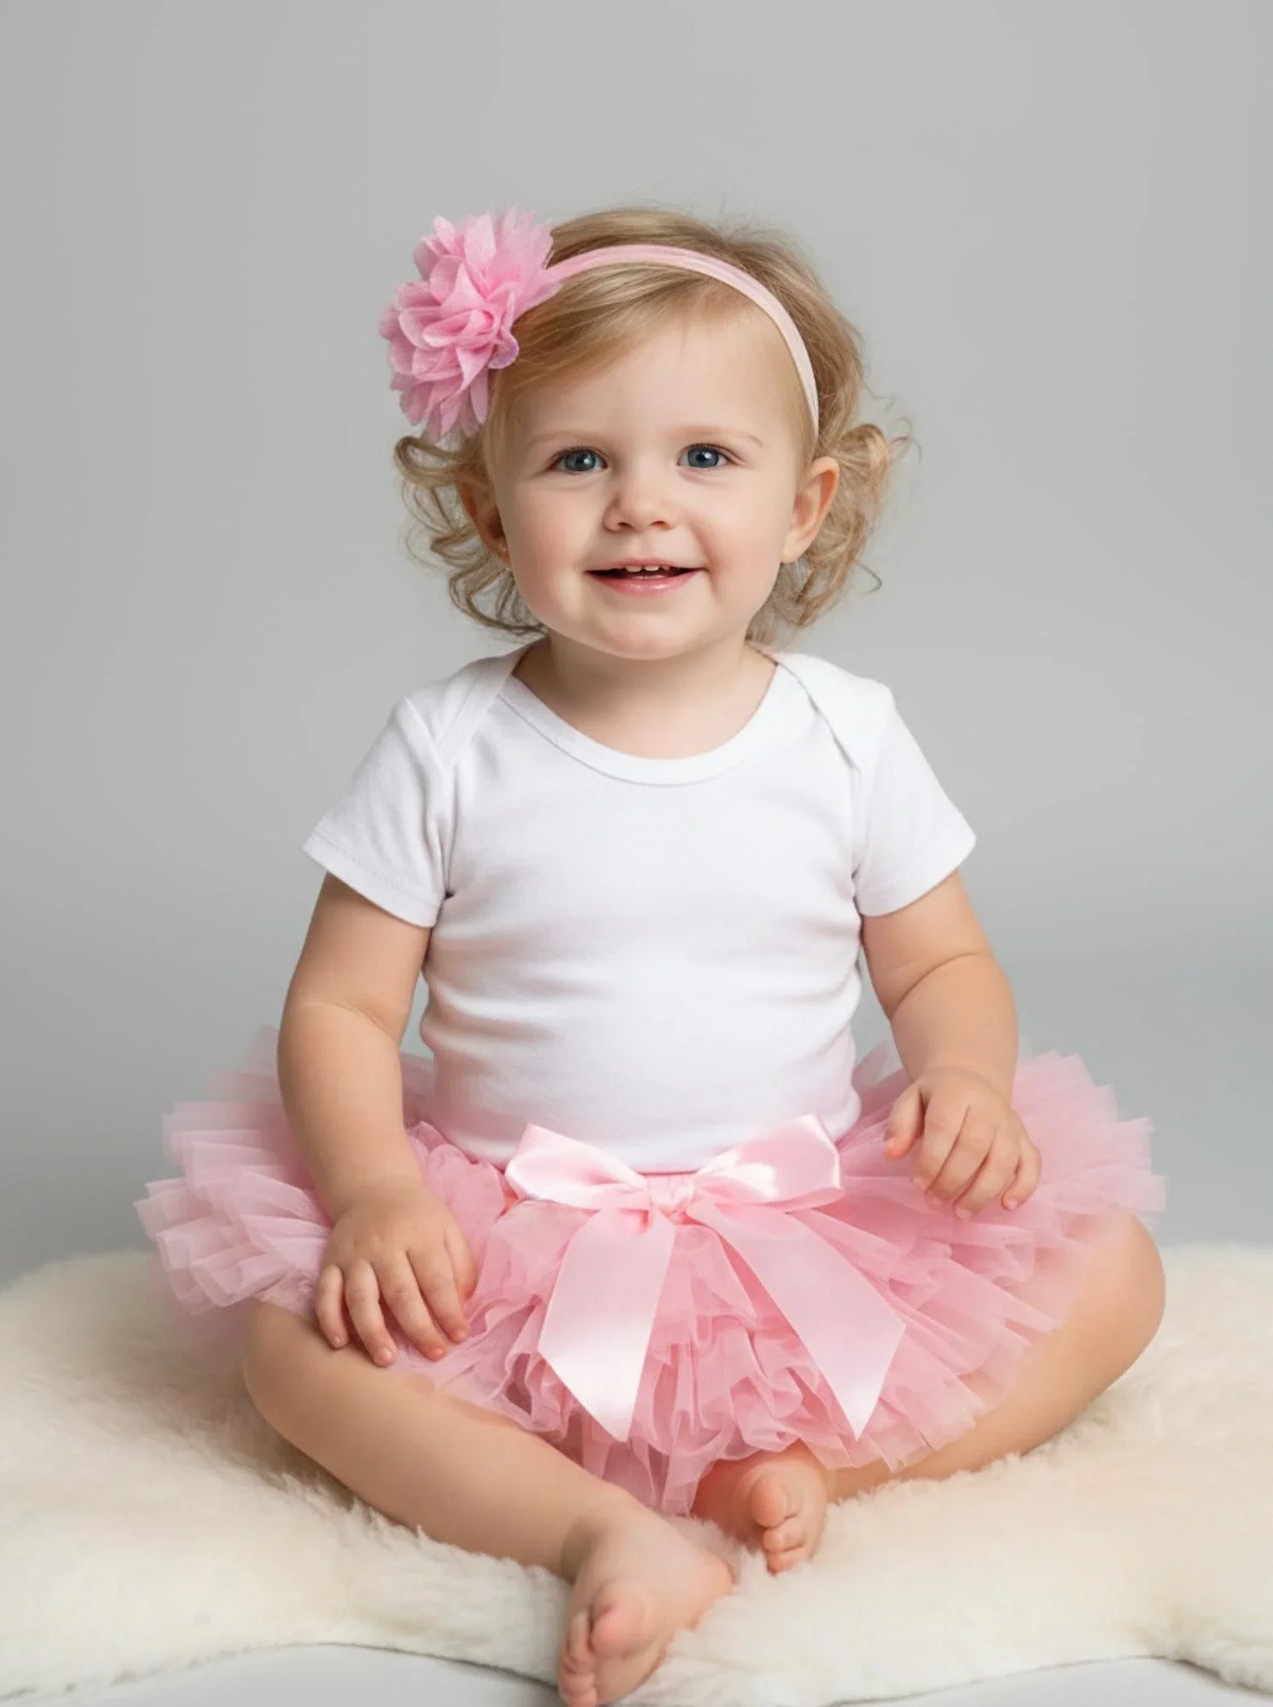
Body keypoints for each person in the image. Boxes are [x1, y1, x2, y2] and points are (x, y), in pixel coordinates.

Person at [135, 204, 1168, 1707]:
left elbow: (942, 962)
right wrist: (371, 1195)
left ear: (806, 504)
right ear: (492, 516)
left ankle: (804, 1473)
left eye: (704, 457)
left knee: (1114, 1277)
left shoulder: (843, 736)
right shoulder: (451, 748)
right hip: (515, 1232)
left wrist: (968, 1081)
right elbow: (346, 1004)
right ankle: (604, 1529)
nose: (639, 506)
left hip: (804, 1212)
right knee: (298, 1354)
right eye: (576, 461)